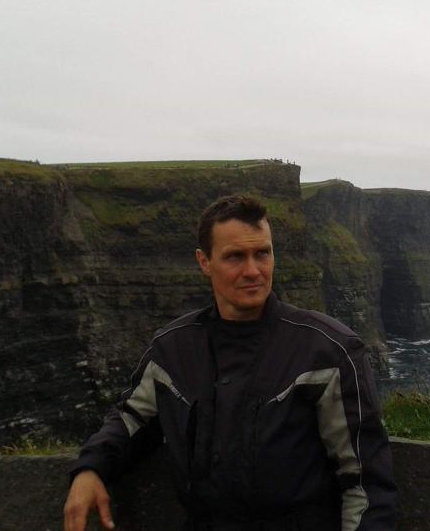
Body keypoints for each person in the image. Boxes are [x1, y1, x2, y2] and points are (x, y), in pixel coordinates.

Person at [64, 195, 396, 531]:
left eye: (262, 253)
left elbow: (364, 481)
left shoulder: (327, 351)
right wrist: (91, 468)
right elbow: (132, 419)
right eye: (235, 257)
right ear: (204, 261)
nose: (253, 271)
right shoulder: (173, 350)